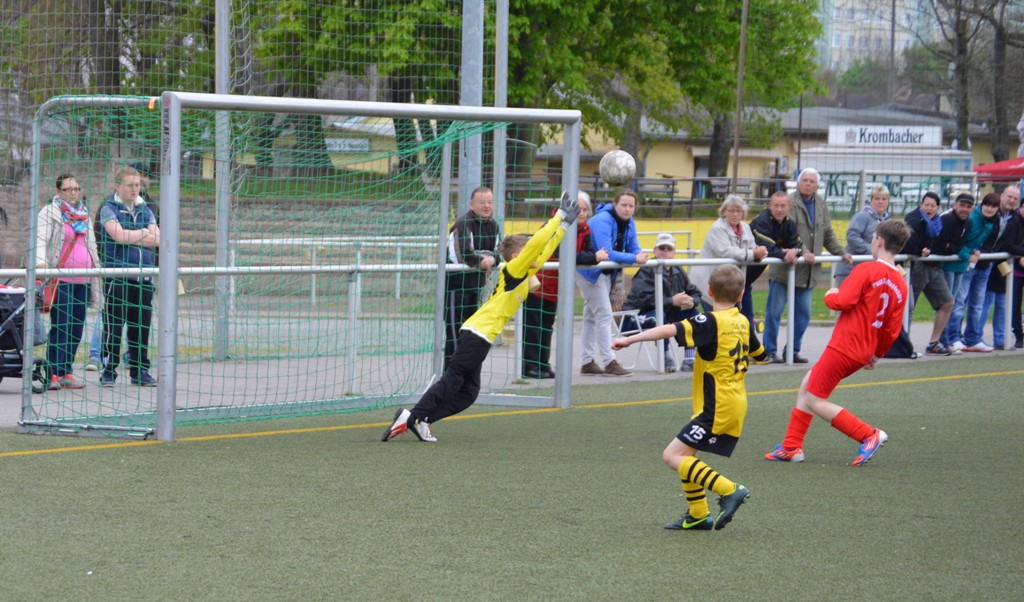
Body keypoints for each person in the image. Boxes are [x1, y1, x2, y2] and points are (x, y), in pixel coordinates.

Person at [382, 192, 580, 443]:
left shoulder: (526, 270)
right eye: (527, 251)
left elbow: (544, 248)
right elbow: (536, 245)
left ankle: (423, 420)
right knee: (454, 377)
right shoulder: (515, 269)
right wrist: (558, 216)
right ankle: (411, 417)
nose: (535, 254)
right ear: (517, 256)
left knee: (469, 393)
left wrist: (563, 227)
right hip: (478, 332)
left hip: (481, 335)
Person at [612, 264, 766, 531]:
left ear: (709, 291)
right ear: (741, 294)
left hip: (717, 406)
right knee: (686, 453)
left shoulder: (710, 322)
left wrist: (630, 339)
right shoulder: (742, 321)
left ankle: (730, 489)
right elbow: (761, 355)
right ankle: (699, 514)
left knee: (671, 456)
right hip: (733, 401)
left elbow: (669, 329)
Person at [764, 220, 911, 466]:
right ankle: (791, 446)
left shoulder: (866, 270)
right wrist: (876, 355)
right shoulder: (900, 284)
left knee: (814, 398)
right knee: (809, 383)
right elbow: (891, 329)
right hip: (863, 350)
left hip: (845, 346)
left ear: (879, 241)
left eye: (873, 238)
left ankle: (868, 435)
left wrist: (831, 296)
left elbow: (843, 301)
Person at [763, 168, 852, 364]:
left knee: (803, 314)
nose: (808, 184)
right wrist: (803, 251)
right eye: (805, 180)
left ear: (817, 185)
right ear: (798, 183)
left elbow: (827, 234)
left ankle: (792, 351)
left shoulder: (821, 205)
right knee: (774, 312)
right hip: (784, 270)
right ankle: (769, 351)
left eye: (812, 181)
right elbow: (788, 233)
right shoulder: (789, 203)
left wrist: (841, 252)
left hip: (808, 273)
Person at [521, 192, 607, 379]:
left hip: (555, 288)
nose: (581, 213)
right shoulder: (553, 225)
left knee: (546, 326)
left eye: (585, 209)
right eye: (578, 209)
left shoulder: (584, 229)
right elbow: (563, 253)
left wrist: (592, 256)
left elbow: (587, 252)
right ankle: (529, 366)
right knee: (533, 326)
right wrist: (593, 257)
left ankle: (542, 364)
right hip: (537, 283)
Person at [35, 174, 100, 389]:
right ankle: (53, 372)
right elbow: (40, 239)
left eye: (76, 188)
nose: (73, 192)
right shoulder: (50, 212)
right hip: (61, 279)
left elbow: (92, 245)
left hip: (83, 279)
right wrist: (41, 262)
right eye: (68, 189)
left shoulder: (84, 214)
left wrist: (96, 268)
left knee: (76, 326)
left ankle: (66, 370)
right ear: (58, 192)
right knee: (61, 325)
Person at [576, 190, 649, 377]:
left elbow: (633, 246)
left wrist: (639, 255)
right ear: (615, 204)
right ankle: (609, 362)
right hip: (590, 271)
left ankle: (587, 362)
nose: (627, 209)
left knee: (591, 317)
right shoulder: (603, 220)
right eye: (623, 205)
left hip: (605, 272)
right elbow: (607, 252)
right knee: (603, 314)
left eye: (631, 206)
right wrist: (634, 258)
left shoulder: (629, 222)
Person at [98, 167, 160, 387]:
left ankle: (140, 370)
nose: (135, 189)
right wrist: (143, 233)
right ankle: (108, 370)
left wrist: (132, 235)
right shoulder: (108, 208)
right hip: (118, 276)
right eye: (130, 185)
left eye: (137, 185)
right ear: (118, 186)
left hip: (143, 277)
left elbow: (158, 238)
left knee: (141, 326)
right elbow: (118, 236)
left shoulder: (146, 209)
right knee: (114, 325)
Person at [622, 232, 701, 372]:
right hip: (634, 317)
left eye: (669, 248)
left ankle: (689, 359)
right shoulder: (647, 269)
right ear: (655, 250)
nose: (665, 251)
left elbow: (695, 292)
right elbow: (643, 300)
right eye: (662, 248)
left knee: (694, 314)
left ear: (674, 252)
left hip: (665, 315)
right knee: (659, 316)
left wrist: (692, 301)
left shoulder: (677, 269)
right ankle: (664, 357)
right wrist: (672, 301)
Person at [444, 186, 501, 369]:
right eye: (482, 202)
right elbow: (459, 256)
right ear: (472, 205)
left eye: (490, 202)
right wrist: (481, 262)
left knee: (472, 335)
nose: (486, 206)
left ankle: (466, 375)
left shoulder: (493, 226)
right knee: (455, 334)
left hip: (477, 288)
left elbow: (499, 252)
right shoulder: (463, 224)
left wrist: (493, 259)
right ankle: (449, 376)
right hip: (456, 289)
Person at [688, 195, 767, 315]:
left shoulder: (745, 228)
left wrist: (759, 251)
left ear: (743, 213)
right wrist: (753, 254)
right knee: (717, 321)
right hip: (710, 283)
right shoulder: (717, 228)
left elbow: (752, 246)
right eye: (731, 210)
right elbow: (726, 252)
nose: (735, 214)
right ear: (724, 212)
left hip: (730, 284)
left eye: (738, 211)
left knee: (731, 320)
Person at [903, 192, 955, 356]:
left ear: (938, 208)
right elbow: (910, 242)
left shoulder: (939, 222)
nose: (929, 208)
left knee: (947, 302)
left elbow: (944, 245)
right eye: (926, 205)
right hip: (917, 267)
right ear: (921, 205)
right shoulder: (913, 219)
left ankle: (934, 343)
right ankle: (903, 344)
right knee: (908, 307)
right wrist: (921, 250)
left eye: (933, 206)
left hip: (934, 266)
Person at [950, 193, 1000, 352]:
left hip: (982, 264)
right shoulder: (972, 219)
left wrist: (978, 252)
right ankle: (953, 337)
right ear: (981, 205)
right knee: (959, 302)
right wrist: (969, 254)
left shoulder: (993, 221)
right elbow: (959, 242)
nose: (990, 209)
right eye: (987, 205)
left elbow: (984, 243)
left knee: (977, 304)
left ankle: (973, 337)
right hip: (965, 265)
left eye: (993, 206)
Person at [933, 192, 982, 353]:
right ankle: (941, 339)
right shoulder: (947, 219)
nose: (964, 209)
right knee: (947, 303)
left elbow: (958, 244)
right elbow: (943, 245)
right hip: (947, 266)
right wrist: (963, 252)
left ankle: (944, 339)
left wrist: (968, 251)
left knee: (951, 303)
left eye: (968, 207)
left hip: (959, 267)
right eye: (962, 205)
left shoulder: (968, 223)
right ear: (955, 205)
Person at [745, 191, 802, 328]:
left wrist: (794, 252)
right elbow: (767, 249)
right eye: (776, 205)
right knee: (739, 321)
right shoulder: (762, 221)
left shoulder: (789, 223)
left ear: (789, 207)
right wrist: (784, 253)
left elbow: (798, 245)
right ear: (770, 206)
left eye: (783, 206)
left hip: (746, 280)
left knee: (746, 322)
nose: (779, 209)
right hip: (735, 276)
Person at [979, 185, 1021, 349]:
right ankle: (975, 337)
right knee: (984, 302)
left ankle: (1000, 339)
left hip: (1002, 264)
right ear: (1002, 195)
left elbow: (1010, 243)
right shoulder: (991, 214)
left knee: (1003, 303)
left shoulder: (1014, 218)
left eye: (1015, 198)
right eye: (1009, 196)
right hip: (984, 261)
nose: (1011, 200)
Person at [832, 184, 890, 288]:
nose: (881, 202)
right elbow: (852, 236)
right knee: (846, 298)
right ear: (871, 200)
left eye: (884, 199)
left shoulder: (888, 221)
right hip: (850, 269)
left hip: (869, 271)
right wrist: (873, 251)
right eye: (877, 198)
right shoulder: (862, 216)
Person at [996, 195, 1024, 349]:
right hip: (1015, 270)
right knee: (1014, 304)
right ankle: (1018, 336)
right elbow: (1008, 245)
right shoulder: (1014, 222)